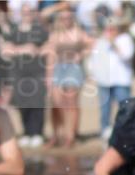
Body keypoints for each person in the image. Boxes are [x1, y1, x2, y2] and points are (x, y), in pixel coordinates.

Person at [0, 2, 48, 147]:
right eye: (24, 12)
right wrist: (24, 48)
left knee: (37, 102)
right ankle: (26, 132)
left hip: (37, 72)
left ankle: (37, 133)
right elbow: (6, 50)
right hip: (18, 73)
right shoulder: (14, 30)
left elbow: (48, 47)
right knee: (22, 102)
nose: (27, 15)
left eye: (29, 12)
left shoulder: (39, 30)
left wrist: (36, 50)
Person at [45, 9, 91, 148]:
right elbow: (50, 55)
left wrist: (80, 55)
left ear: (73, 18)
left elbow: (91, 44)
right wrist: (48, 76)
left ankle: (70, 135)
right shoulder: (55, 34)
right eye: (63, 18)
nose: (66, 20)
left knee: (71, 103)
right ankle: (56, 134)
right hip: (58, 68)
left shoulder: (78, 32)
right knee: (56, 103)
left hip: (74, 68)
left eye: (68, 17)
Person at [89, 18, 135, 142]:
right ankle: (105, 130)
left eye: (113, 29)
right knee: (105, 108)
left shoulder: (125, 39)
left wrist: (113, 43)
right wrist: (94, 76)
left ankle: (126, 130)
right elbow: (94, 60)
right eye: (108, 29)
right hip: (104, 81)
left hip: (121, 80)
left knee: (124, 107)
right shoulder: (100, 42)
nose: (110, 31)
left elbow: (127, 56)